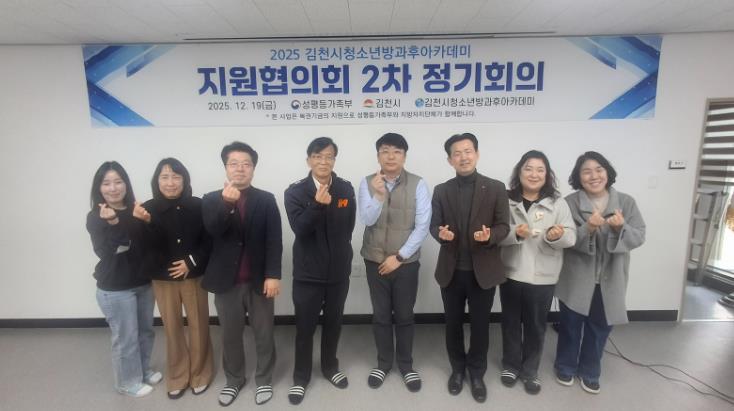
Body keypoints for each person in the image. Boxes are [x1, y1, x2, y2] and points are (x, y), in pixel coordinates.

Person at [554, 151, 646, 394]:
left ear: (607, 172)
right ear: (578, 177)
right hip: (576, 278)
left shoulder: (626, 202)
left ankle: (590, 371)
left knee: (599, 328)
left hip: (611, 279)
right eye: (586, 171)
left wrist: (621, 227)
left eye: (598, 170)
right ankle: (565, 365)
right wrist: (588, 228)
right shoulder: (569, 203)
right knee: (570, 326)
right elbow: (565, 239)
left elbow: (639, 236)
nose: (593, 176)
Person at [429, 132, 510, 403]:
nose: (463, 157)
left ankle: (477, 373)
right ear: (449, 160)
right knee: (452, 324)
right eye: (457, 153)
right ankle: (457, 370)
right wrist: (441, 235)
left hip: (483, 272)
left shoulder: (495, 187)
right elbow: (434, 225)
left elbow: (504, 226)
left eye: (468, 151)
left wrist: (490, 236)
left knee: (480, 326)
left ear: (477, 154)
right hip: (451, 271)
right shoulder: (442, 190)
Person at [201, 142, 283, 406]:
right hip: (227, 282)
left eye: (246, 164)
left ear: (253, 168)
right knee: (230, 335)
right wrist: (227, 204)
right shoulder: (211, 199)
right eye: (234, 164)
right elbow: (213, 230)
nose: (240, 169)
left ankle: (264, 379)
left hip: (260, 281)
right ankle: (234, 380)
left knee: (264, 333)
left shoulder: (266, 199)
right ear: (225, 167)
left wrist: (273, 274)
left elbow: (274, 239)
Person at [284, 137, 356, 405]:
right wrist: (317, 205)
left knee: (333, 324)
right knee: (305, 328)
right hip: (307, 274)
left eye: (329, 156)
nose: (323, 161)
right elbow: (300, 229)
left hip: (338, 272)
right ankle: (301, 377)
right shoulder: (295, 192)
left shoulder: (345, 189)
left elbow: (348, 228)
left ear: (334, 160)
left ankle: (329, 367)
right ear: (309, 160)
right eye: (317, 156)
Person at [498, 150, 576, 394]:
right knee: (510, 323)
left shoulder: (557, 202)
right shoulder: (505, 200)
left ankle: (530, 371)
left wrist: (556, 235)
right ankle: (510, 365)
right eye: (528, 168)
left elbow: (571, 237)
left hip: (543, 276)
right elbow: (496, 234)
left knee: (536, 325)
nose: (534, 174)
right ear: (519, 172)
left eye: (540, 170)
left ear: (547, 175)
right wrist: (515, 233)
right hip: (511, 272)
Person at [358, 132, 431, 392]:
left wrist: (399, 257)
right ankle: (383, 363)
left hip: (406, 263)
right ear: (378, 155)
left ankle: (406, 365)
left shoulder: (418, 184)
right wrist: (378, 196)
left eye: (397, 151)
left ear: (404, 156)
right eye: (385, 151)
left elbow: (423, 226)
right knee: (380, 315)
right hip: (374, 260)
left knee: (404, 315)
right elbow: (366, 220)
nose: (391, 156)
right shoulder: (367, 182)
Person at [86, 161, 162, 397]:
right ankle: (127, 382)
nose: (113, 188)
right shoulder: (96, 216)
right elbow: (112, 250)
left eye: (118, 182)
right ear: (99, 188)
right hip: (115, 288)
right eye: (106, 183)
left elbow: (150, 245)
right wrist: (113, 222)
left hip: (142, 283)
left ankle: (142, 371)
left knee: (145, 332)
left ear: (126, 184)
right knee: (126, 338)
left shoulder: (135, 209)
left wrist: (147, 221)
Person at [139, 158, 214, 399]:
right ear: (156, 181)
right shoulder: (147, 209)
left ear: (185, 180)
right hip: (163, 278)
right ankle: (178, 375)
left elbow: (209, 240)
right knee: (172, 328)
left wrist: (190, 262)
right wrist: (144, 223)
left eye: (176, 176)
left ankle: (200, 372)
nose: (170, 183)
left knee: (199, 324)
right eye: (164, 177)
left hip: (193, 275)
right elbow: (144, 245)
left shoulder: (199, 205)